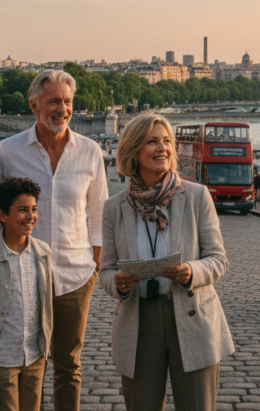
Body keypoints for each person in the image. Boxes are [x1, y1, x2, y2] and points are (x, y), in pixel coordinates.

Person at [100, 113, 234, 411]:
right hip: (139, 322)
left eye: (166, 142)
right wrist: (118, 284)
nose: (162, 148)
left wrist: (191, 272)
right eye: (152, 142)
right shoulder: (114, 208)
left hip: (192, 316)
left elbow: (218, 259)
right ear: (133, 150)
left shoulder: (197, 197)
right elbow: (106, 269)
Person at [0, 70, 109, 411]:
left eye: (68, 101)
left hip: (75, 275)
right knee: (29, 364)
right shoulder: (7, 151)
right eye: (54, 101)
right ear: (34, 106)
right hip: (23, 275)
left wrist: (96, 266)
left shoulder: (90, 151)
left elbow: (100, 212)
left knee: (68, 364)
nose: (62, 109)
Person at [0, 177, 54, 411]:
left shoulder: (43, 252)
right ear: (2, 215)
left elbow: (45, 305)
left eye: (34, 209)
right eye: (22, 210)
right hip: (1, 360)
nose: (31, 216)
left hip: (34, 356)